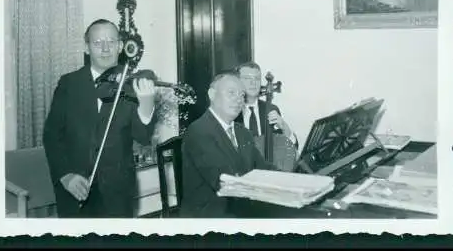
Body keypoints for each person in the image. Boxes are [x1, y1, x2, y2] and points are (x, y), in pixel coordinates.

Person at [42, 19, 156, 218]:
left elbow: (143, 137)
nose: (105, 49)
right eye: (97, 43)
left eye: (111, 42)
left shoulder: (131, 85)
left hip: (117, 191)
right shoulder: (69, 84)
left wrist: (146, 106)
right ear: (86, 48)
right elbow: (51, 135)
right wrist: (65, 175)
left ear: (120, 46)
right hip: (73, 188)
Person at [180, 71, 277, 218]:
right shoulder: (199, 131)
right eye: (231, 93)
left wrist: (295, 179)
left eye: (242, 95)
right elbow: (226, 180)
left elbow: (262, 167)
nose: (239, 100)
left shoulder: (243, 132)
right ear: (212, 95)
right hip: (209, 218)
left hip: (238, 208)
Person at [234, 61, 299, 172]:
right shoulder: (232, 112)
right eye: (247, 78)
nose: (253, 83)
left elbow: (291, 146)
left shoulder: (271, 109)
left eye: (257, 78)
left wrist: (284, 126)